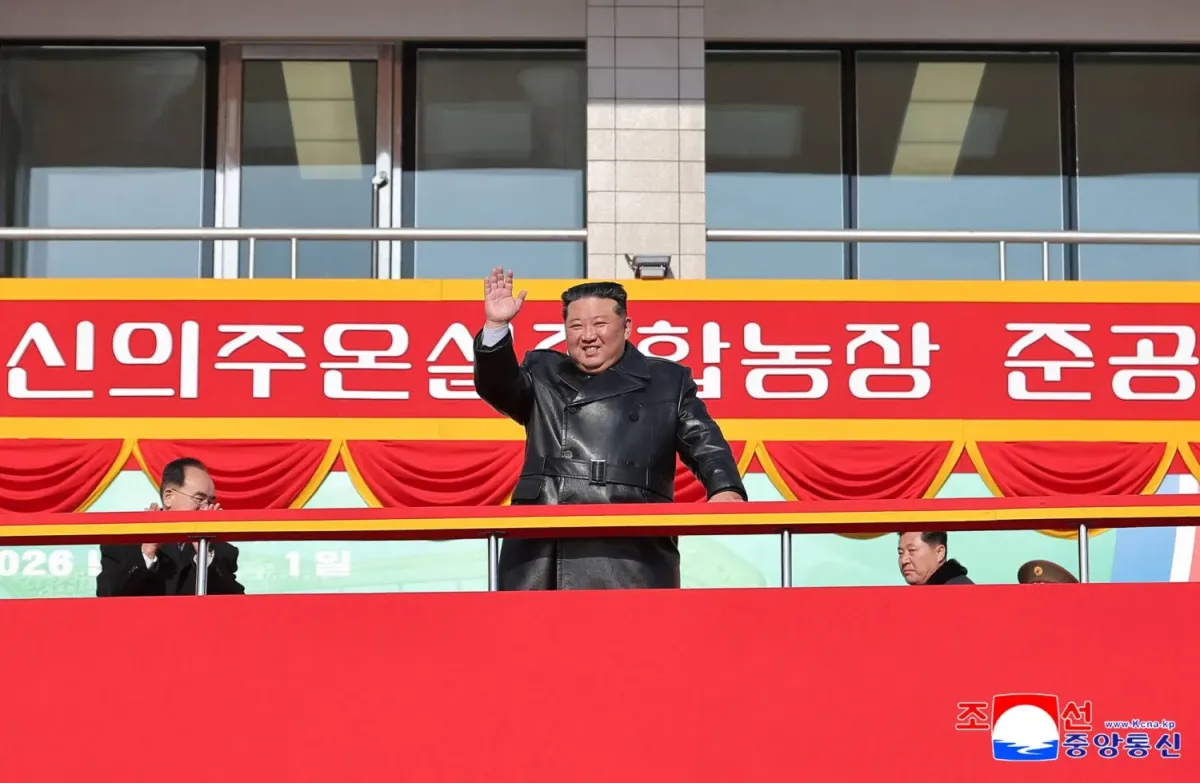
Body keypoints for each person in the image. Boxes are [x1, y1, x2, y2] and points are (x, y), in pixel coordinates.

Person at [473, 268, 746, 590]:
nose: (588, 336)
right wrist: (496, 326)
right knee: (535, 623)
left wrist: (725, 488)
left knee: (630, 622)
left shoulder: (667, 381)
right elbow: (498, 386)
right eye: (576, 326)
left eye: (599, 324)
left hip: (632, 541)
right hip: (544, 543)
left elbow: (703, 441)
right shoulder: (543, 372)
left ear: (626, 327)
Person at [96, 457, 245, 597]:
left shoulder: (221, 551)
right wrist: (148, 551)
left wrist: (204, 553)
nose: (205, 508)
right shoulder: (122, 544)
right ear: (168, 497)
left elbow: (236, 602)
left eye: (210, 502)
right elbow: (108, 594)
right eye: (199, 499)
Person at [897, 531, 974, 585]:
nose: (904, 560)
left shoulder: (960, 590)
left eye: (912, 550)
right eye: (900, 553)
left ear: (939, 552)